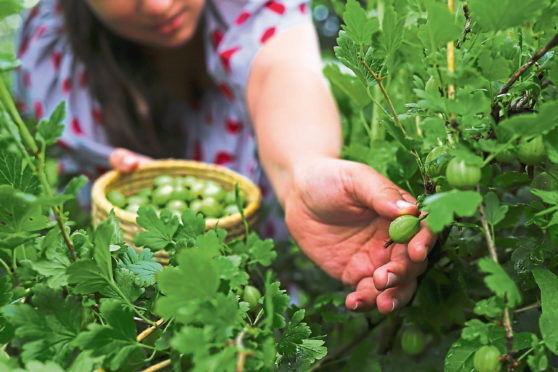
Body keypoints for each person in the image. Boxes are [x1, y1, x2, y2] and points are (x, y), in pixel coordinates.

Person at [13, 0, 434, 314]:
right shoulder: (45, 49)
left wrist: (305, 169)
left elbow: (282, 74)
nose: (160, 6)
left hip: (258, 301)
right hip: (129, 301)